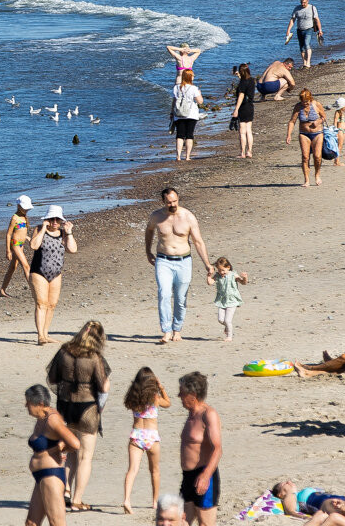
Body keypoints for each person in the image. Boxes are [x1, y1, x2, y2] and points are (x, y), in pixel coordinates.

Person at [47, 321, 109, 513]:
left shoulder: (64, 351)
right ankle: (77, 500)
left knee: (71, 453)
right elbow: (103, 387)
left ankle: (65, 491)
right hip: (87, 408)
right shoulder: (94, 357)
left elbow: (52, 379)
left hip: (66, 406)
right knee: (85, 457)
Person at [145, 189, 213, 344]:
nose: (173, 204)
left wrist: (207, 264)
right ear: (163, 201)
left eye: (175, 201)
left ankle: (177, 330)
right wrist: (148, 252)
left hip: (184, 261)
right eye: (169, 202)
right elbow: (149, 231)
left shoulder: (188, 217)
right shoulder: (157, 216)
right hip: (163, 260)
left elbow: (198, 241)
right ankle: (167, 331)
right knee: (164, 293)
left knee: (181, 299)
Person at [24, 384, 82, 526]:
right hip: (41, 476)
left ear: (41, 404)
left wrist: (59, 448)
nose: (26, 405)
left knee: (56, 523)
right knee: (31, 523)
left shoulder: (52, 420)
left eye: (29, 403)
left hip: (52, 476)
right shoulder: (41, 418)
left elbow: (75, 443)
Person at [122, 367, 171, 515]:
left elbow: (128, 404)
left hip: (137, 435)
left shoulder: (133, 398)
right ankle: (155, 502)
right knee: (155, 470)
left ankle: (127, 499)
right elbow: (168, 403)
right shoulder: (155, 398)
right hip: (151, 436)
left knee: (132, 470)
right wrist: (162, 388)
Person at [177, 372, 221, 526]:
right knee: (181, 521)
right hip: (187, 477)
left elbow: (217, 449)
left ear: (193, 395)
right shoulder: (191, 414)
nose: (178, 396)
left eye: (182, 393)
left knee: (205, 524)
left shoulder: (208, 414)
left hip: (204, 475)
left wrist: (206, 476)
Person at [29, 204, 77, 345]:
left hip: (56, 273)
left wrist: (69, 233)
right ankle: (40, 336)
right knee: (41, 303)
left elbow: (72, 250)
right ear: (47, 219)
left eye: (57, 219)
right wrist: (43, 228)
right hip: (38, 271)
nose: (55, 222)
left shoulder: (63, 233)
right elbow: (34, 245)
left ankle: (46, 334)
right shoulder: (39, 229)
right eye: (52, 219)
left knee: (52, 305)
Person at [285, 89, 327, 187]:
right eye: (303, 102)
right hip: (304, 134)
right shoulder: (298, 107)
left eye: (307, 102)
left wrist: (318, 121)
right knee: (305, 157)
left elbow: (324, 117)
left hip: (317, 133)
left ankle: (317, 175)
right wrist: (289, 135)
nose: (305, 104)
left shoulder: (316, 104)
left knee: (317, 156)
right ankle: (307, 180)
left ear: (310, 99)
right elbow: (292, 121)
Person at [0, 195, 34, 297]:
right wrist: (8, 251)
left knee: (12, 268)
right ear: (19, 206)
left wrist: (27, 238)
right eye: (25, 208)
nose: (26, 210)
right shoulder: (15, 218)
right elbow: (9, 234)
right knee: (26, 266)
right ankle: (34, 291)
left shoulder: (24, 217)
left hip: (21, 244)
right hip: (15, 245)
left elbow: (21, 232)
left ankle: (2, 290)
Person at [206, 257, 247, 341]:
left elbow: (243, 282)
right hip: (222, 300)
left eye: (223, 270)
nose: (221, 272)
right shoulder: (218, 275)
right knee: (220, 319)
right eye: (219, 270)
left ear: (228, 267)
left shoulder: (233, 275)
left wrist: (245, 277)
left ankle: (229, 336)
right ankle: (227, 327)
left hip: (232, 300)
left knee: (228, 320)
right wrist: (209, 276)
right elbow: (210, 283)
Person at [171, 70, 203, 161]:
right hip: (191, 114)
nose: (194, 77)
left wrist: (171, 112)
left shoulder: (176, 87)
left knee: (179, 135)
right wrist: (200, 94)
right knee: (189, 134)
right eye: (193, 75)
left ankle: (178, 156)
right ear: (190, 77)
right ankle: (187, 156)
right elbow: (200, 102)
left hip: (178, 114)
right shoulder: (193, 88)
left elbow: (174, 101)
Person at [271, 480, 345, 517]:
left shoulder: (297, 493)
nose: (288, 481)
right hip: (325, 504)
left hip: (332, 498)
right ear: (280, 494)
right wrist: (303, 517)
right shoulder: (290, 495)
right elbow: (290, 511)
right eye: (285, 483)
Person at [286, 0, 323, 68]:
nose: (303, 4)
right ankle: (304, 63)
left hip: (309, 29)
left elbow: (317, 19)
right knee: (301, 47)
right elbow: (292, 20)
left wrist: (320, 30)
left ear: (308, 1)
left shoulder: (312, 8)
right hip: (299, 30)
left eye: (304, 2)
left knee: (307, 43)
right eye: (301, 2)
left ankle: (308, 62)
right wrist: (288, 30)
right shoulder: (297, 8)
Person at [231, 63, 255, 158]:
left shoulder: (242, 83)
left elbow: (241, 96)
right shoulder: (251, 80)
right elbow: (244, 80)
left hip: (243, 107)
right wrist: (238, 75)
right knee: (249, 130)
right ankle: (249, 151)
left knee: (242, 131)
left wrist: (236, 109)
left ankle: (242, 153)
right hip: (250, 106)